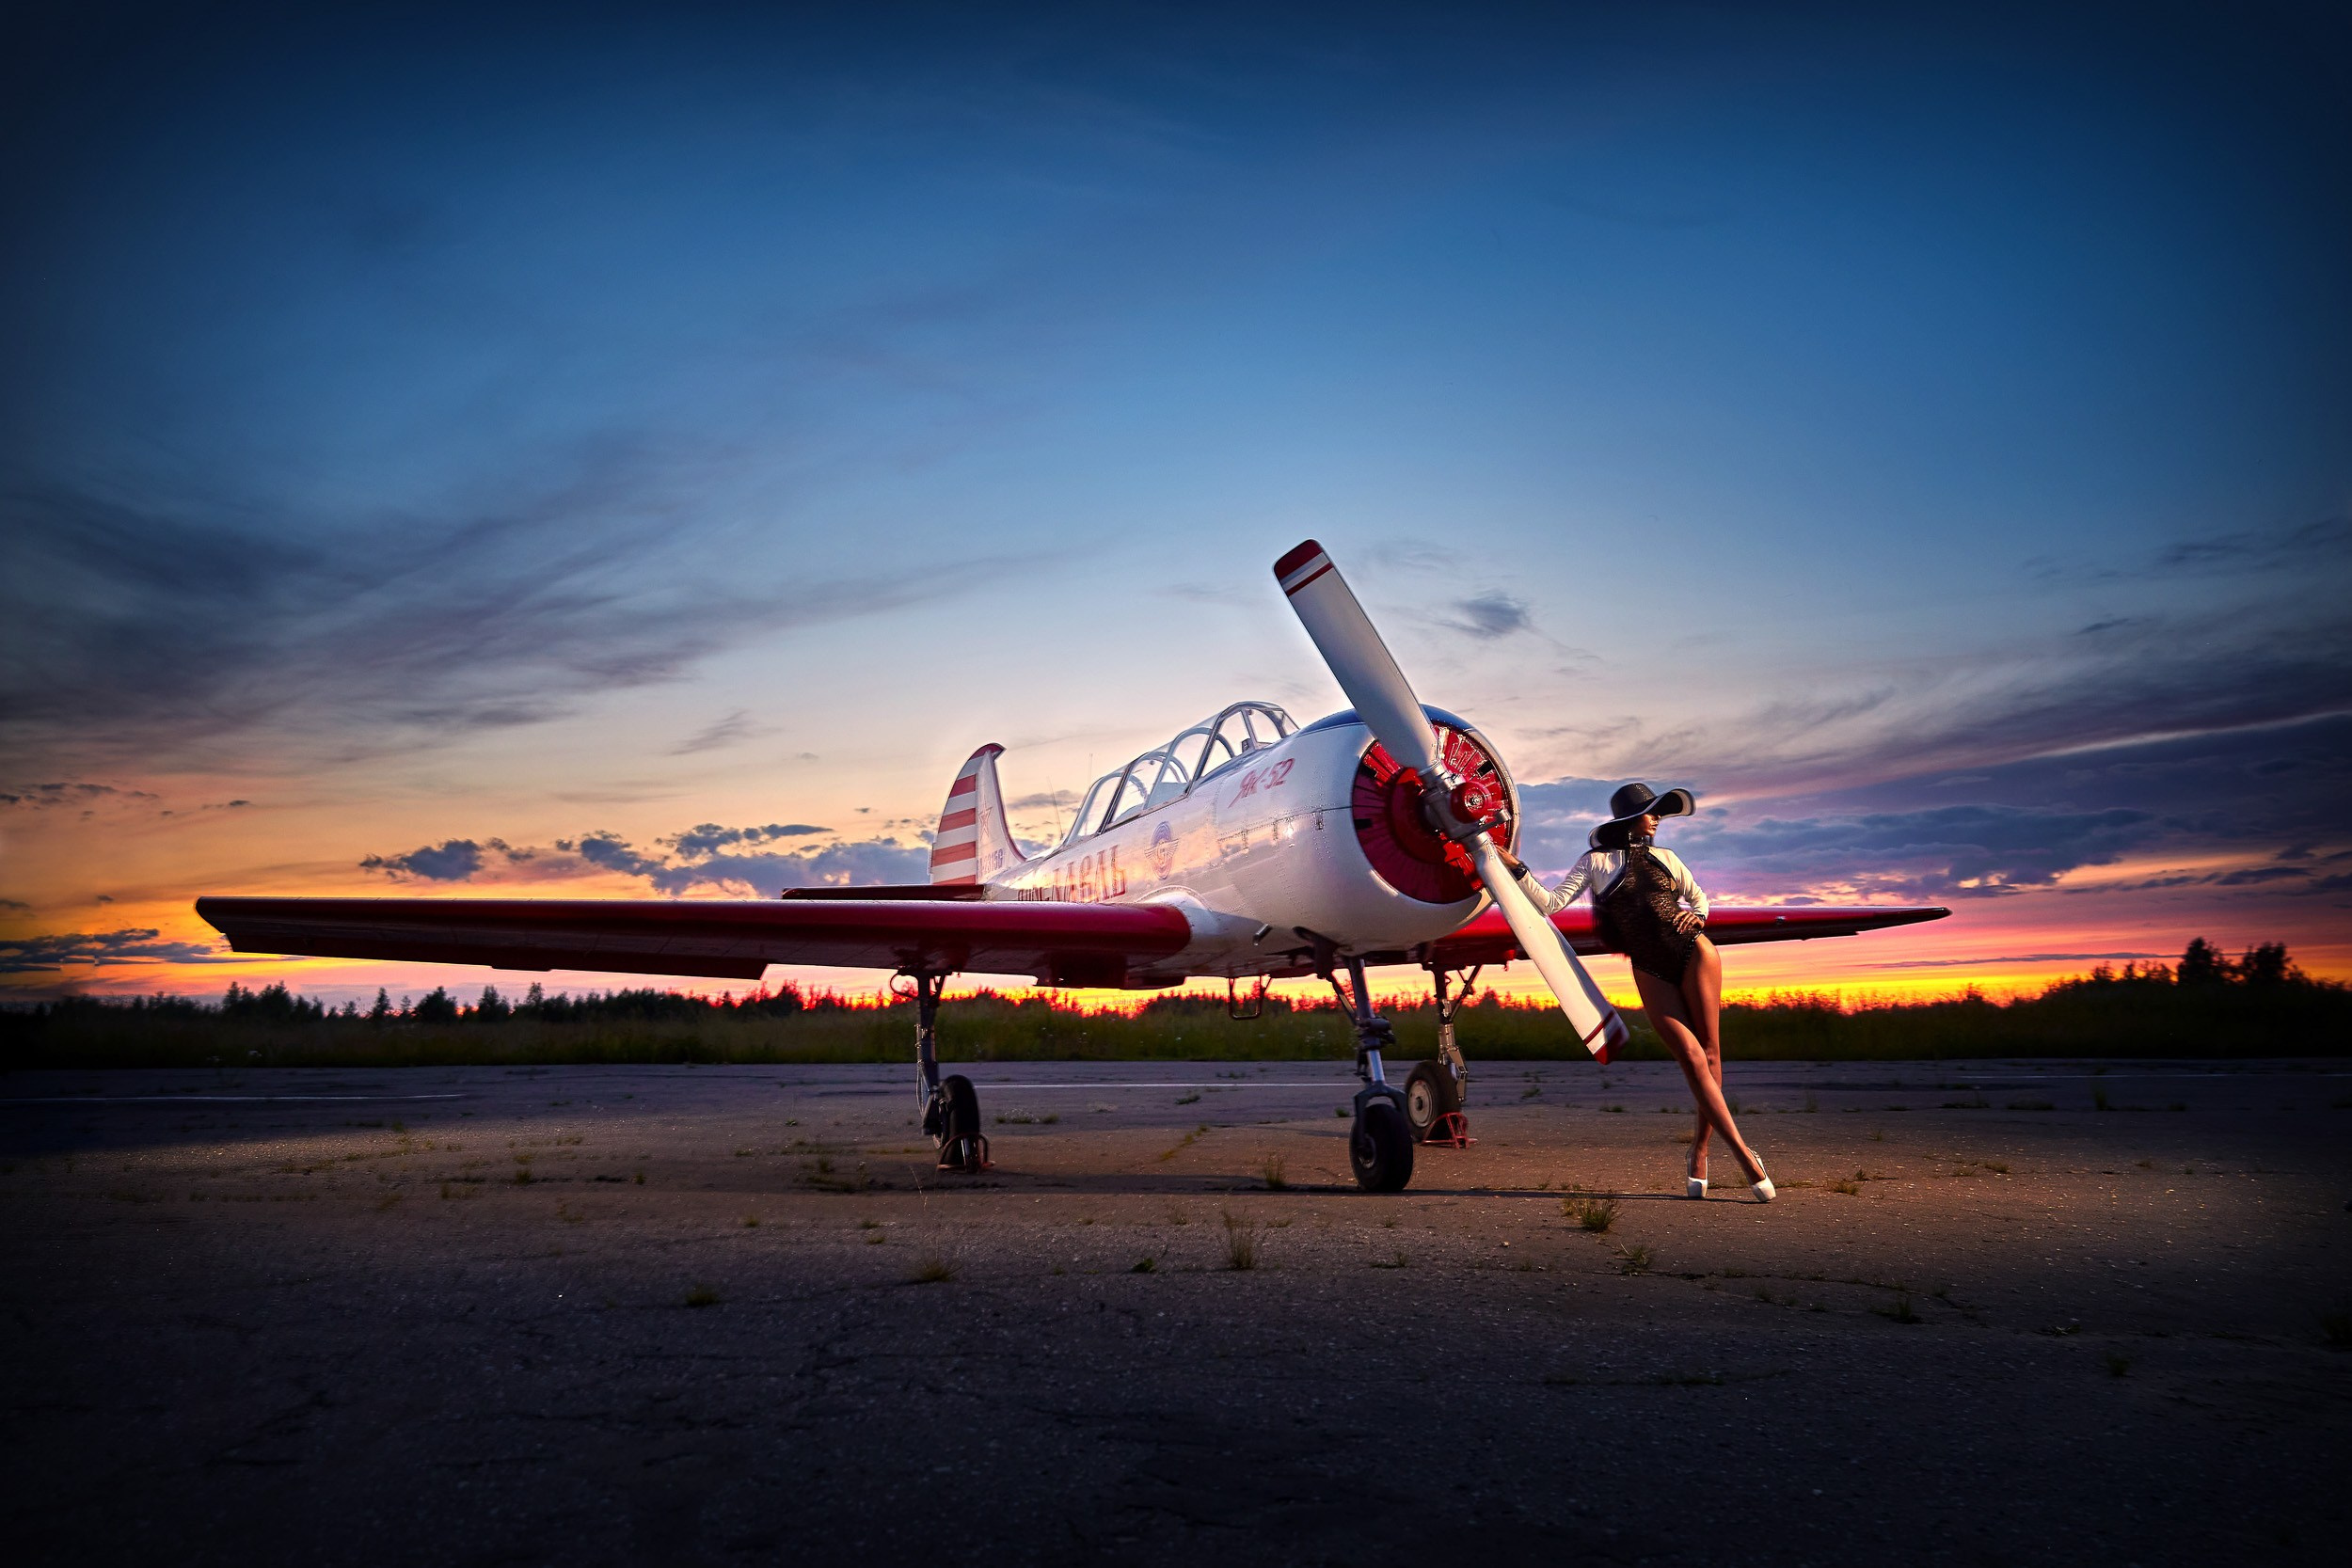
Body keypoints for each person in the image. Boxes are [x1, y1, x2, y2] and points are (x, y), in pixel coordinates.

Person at [1497, 782, 1773, 1202]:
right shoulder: (1596, 863)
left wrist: (1697, 917)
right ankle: (1730, 1153)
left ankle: (1717, 1155)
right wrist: (1515, 867)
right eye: (1652, 810)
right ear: (1628, 818)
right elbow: (1550, 904)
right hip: (1649, 967)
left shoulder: (1668, 859)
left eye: (1660, 811)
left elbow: (1699, 899)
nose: (1658, 817)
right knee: (1691, 1056)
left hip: (1694, 954)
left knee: (1711, 1053)